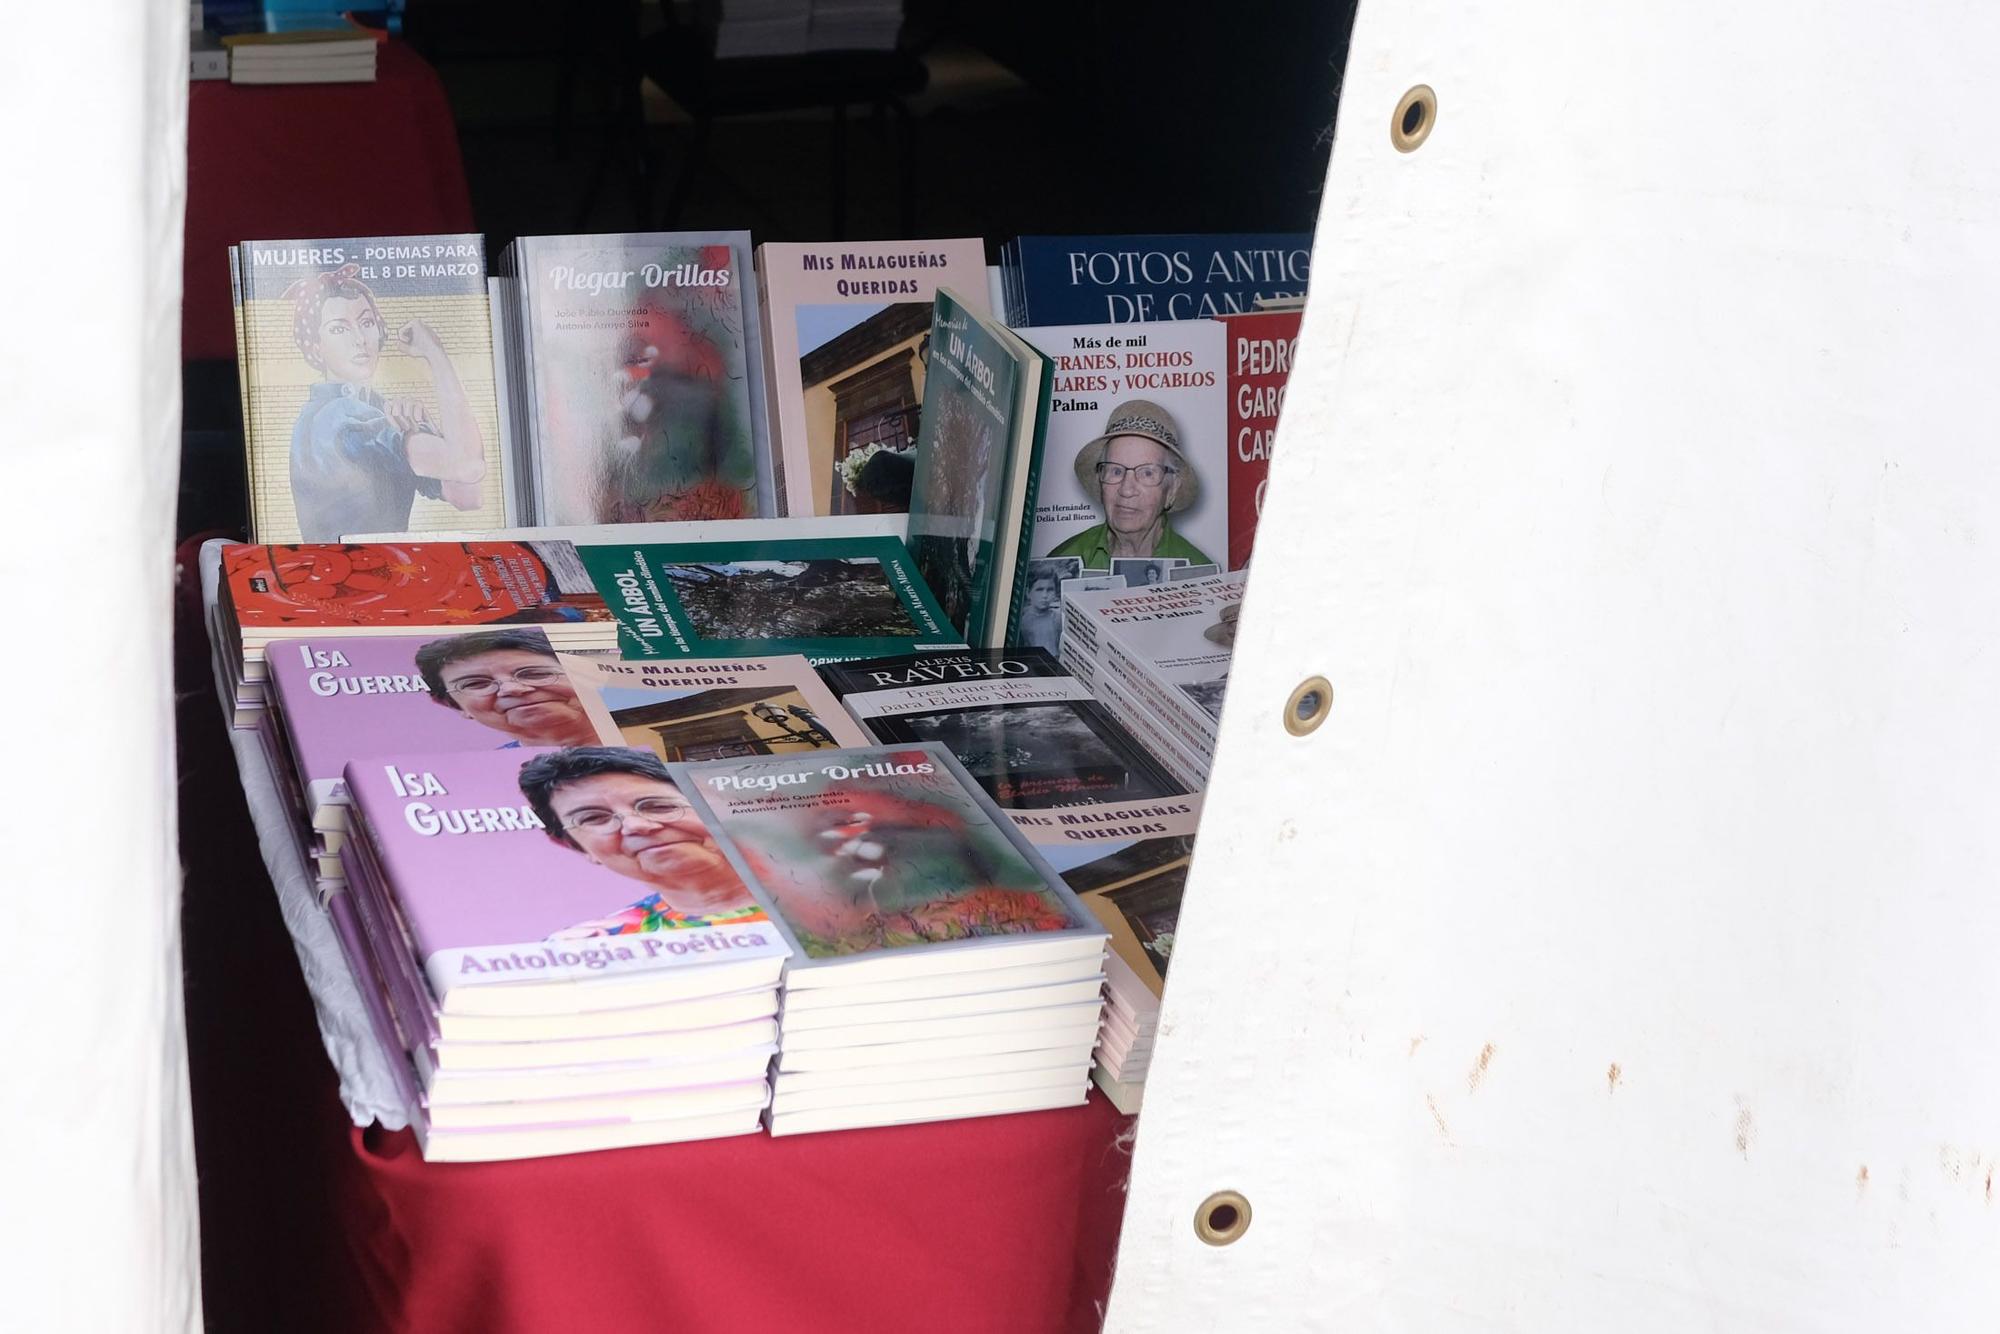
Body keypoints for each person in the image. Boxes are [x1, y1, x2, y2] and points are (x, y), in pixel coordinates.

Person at [285, 264, 486, 540]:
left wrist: (422, 428)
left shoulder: (371, 409)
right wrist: (436, 355)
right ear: (316, 348)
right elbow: (468, 466)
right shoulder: (339, 416)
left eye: (366, 323)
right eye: (339, 329)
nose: (359, 340)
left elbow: (468, 496)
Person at [518, 747, 766, 934]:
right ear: (573, 845)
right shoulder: (602, 946)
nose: (636, 826)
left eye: (657, 806)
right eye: (594, 818)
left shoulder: (803, 890)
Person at [1046, 398, 1215, 570]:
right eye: (1116, 471)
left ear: (1171, 490)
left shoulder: (1199, 573)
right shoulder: (1060, 564)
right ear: (1100, 481)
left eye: (1147, 473)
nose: (1127, 490)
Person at [413, 630, 598, 749]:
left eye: (533, 674)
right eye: (476, 684)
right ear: (452, 705)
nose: (512, 689)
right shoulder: (486, 773)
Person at [1015, 566, 1063, 654]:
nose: (1045, 595)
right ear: (1028, 592)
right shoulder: (1021, 621)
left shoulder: (1059, 619)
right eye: (1039, 590)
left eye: (1050, 590)